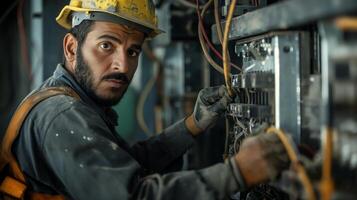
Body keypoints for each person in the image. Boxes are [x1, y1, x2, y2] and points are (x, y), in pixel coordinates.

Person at [7, 0, 289, 199]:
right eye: (107, 45)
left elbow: (125, 164)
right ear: (71, 48)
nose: (122, 65)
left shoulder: (73, 101)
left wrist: (192, 124)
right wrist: (238, 173)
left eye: (133, 51)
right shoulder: (63, 114)